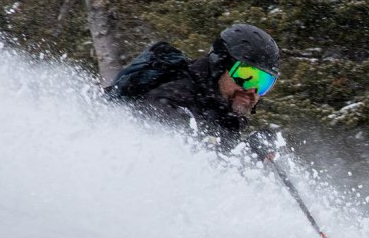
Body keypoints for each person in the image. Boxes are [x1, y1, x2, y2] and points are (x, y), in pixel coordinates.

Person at [108, 23, 280, 153]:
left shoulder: (220, 110)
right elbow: (190, 165)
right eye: (246, 75)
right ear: (219, 65)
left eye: (264, 82)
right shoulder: (170, 99)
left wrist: (251, 150)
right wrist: (246, 154)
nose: (253, 90)